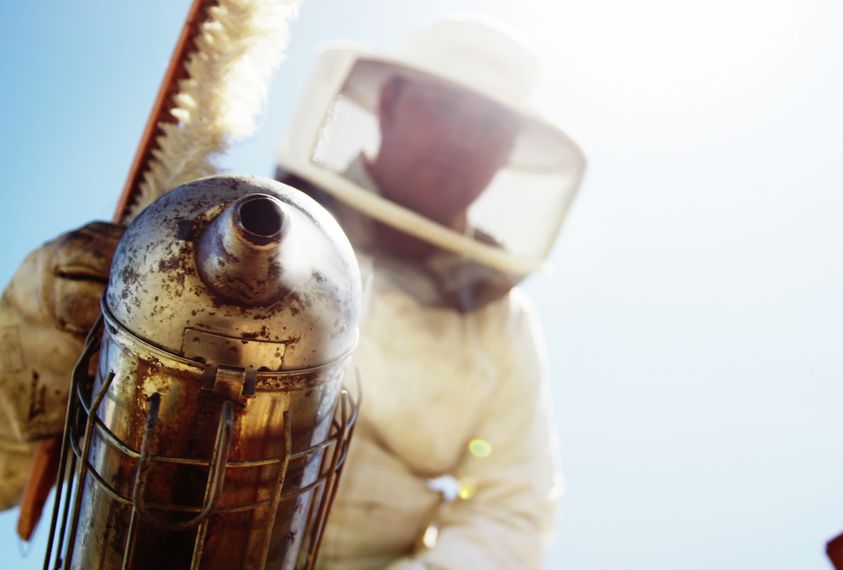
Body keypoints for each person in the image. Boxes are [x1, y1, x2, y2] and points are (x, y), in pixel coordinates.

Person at [0, 16, 586, 570]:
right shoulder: (239, 225)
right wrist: (35, 345)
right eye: (444, 107)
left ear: (506, 155)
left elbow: (513, 506)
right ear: (389, 104)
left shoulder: (502, 325)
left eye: (489, 127)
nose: (461, 138)